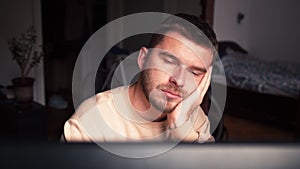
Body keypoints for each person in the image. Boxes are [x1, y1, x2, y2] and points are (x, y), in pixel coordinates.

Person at [63, 13, 218, 143]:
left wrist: (182, 130)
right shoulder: (91, 123)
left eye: (195, 73)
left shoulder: (195, 119)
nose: (179, 80)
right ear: (143, 59)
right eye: (170, 61)